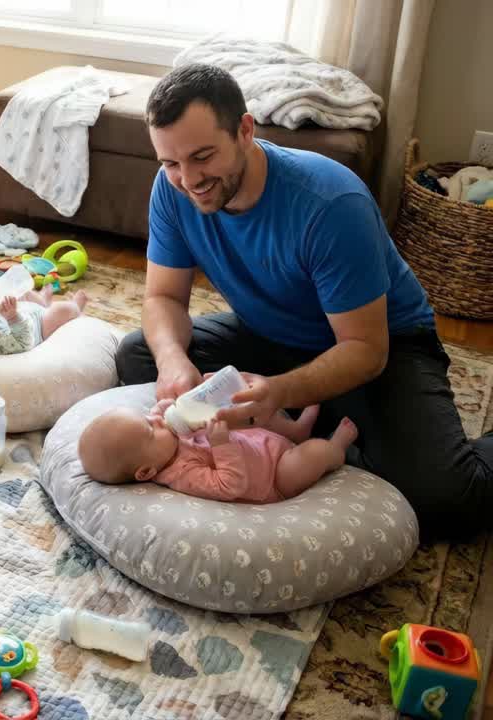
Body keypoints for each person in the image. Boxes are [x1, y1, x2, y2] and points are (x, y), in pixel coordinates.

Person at [116, 63, 492, 536]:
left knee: (444, 499)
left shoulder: (330, 203)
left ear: (245, 130)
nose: (188, 179)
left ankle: (319, 423)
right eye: (170, 163)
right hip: (270, 332)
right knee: (140, 355)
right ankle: (321, 427)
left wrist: (277, 393)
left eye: (203, 156)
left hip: (380, 345)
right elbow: (163, 297)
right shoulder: (170, 191)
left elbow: (366, 350)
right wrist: (173, 361)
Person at [79, 400, 357, 503]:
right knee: (313, 454)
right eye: (151, 428)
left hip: (260, 443)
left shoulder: (162, 443)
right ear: (146, 472)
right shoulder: (182, 474)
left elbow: (157, 416)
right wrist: (221, 445)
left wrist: (166, 407)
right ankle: (335, 450)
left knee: (248, 412)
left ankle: (295, 431)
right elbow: (230, 485)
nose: (156, 420)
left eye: (147, 417)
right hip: (275, 475)